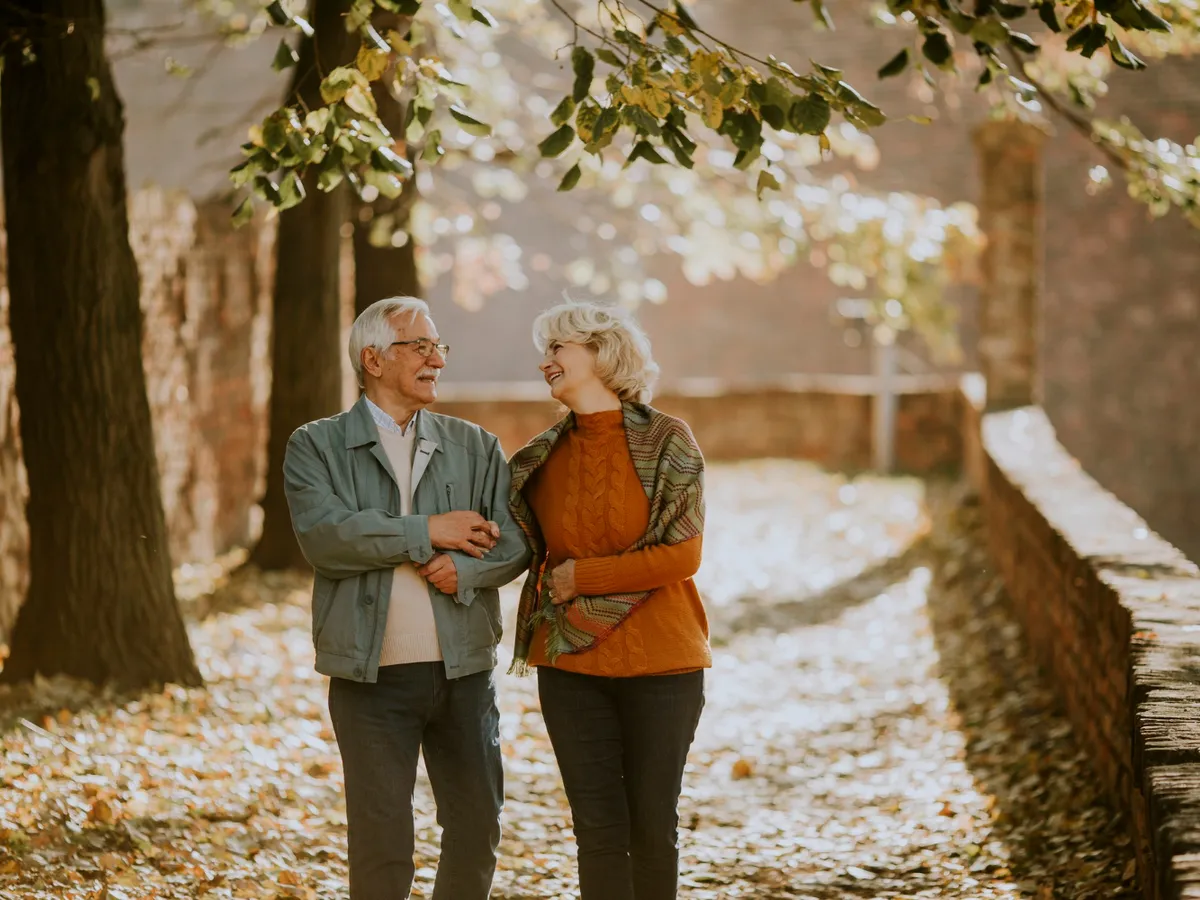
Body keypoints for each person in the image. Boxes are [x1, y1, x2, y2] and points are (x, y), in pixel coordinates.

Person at [283, 296, 530, 900]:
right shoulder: (315, 446)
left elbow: (516, 542)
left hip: (464, 671)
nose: (435, 358)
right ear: (372, 358)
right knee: (381, 841)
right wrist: (427, 530)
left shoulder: (476, 445)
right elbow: (326, 538)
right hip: (369, 680)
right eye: (418, 345)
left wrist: (466, 573)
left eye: (438, 345)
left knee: (476, 829)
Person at [507, 300, 710, 900]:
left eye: (557, 349)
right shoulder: (539, 458)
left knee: (653, 829)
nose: (545, 362)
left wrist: (582, 579)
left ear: (599, 353)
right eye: (544, 352)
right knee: (596, 833)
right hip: (570, 664)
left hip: (663, 664)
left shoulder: (668, 440)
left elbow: (683, 556)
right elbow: (514, 547)